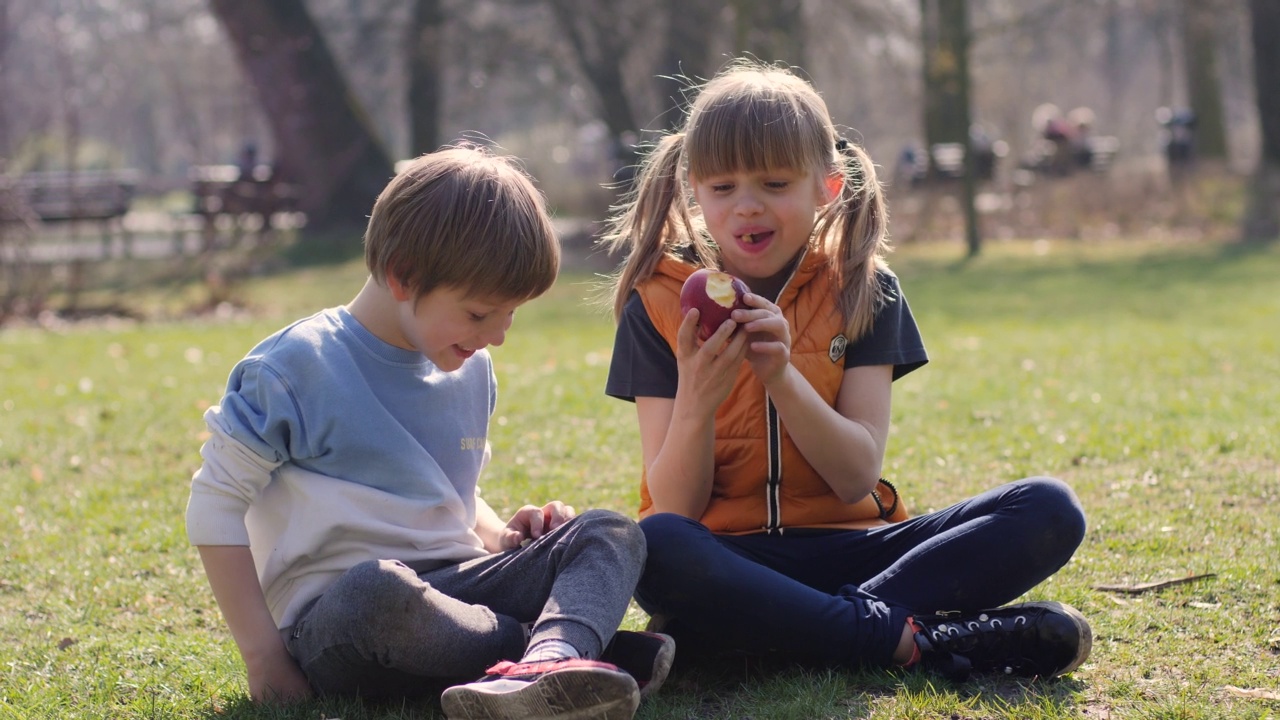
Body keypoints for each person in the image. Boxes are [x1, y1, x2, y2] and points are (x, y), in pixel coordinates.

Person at [598, 59, 1091, 682]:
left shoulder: (863, 287)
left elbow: (856, 475)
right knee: (659, 546)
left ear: (826, 188)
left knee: (1049, 509)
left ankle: (794, 632)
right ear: (695, 190)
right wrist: (698, 396)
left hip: (862, 550)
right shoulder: (656, 301)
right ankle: (907, 636)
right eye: (722, 188)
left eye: (774, 184)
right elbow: (676, 506)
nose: (746, 208)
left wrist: (782, 377)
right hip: (729, 555)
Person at [185, 144, 673, 720]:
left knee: (610, 533)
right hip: (345, 617)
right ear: (403, 276)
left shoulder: (467, 364)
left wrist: (505, 538)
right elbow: (213, 505)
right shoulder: (292, 369)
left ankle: (546, 662)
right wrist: (264, 658)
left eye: (509, 315)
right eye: (478, 314)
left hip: (459, 587)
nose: (497, 337)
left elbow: (449, 493)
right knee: (380, 591)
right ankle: (553, 650)